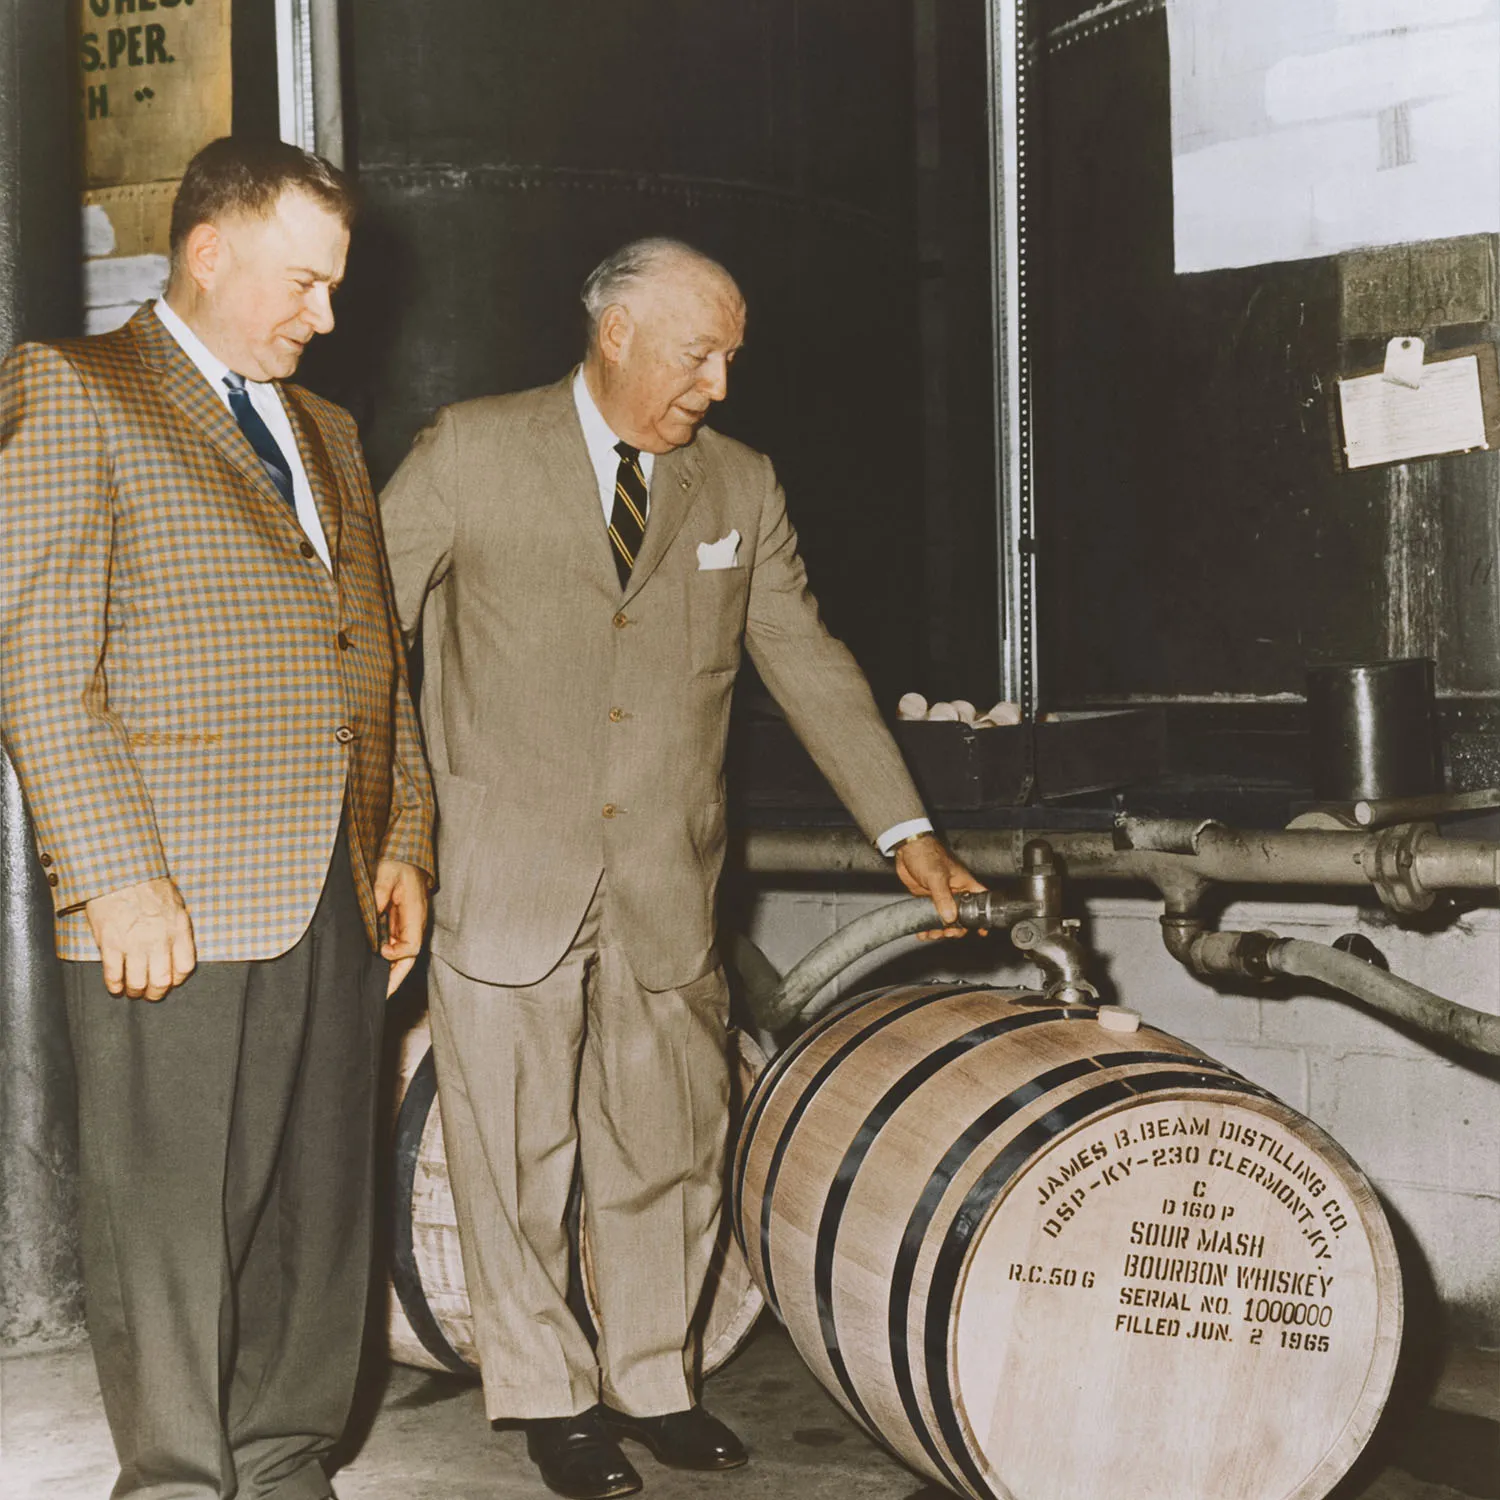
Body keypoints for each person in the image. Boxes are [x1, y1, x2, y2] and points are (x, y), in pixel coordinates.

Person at [379, 237, 980, 1500]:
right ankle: (550, 1400)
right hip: (503, 872)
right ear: (617, 336)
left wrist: (905, 830)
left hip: (665, 876)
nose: (719, 385)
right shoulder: (471, 449)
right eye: (699, 356)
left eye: (730, 359)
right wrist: (394, 827)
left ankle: (653, 1380)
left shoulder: (739, 485)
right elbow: (361, 633)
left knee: (668, 1143)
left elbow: (806, 659)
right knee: (515, 1158)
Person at [0, 138, 434, 1500]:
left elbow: (374, 659)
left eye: (334, 285)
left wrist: (403, 838)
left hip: (333, 887)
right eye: (304, 282)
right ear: (207, 251)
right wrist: (114, 877)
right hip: (171, 896)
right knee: (173, 1224)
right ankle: (181, 1482)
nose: (328, 314)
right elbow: (38, 665)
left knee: (318, 1209)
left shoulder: (330, 432)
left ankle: (288, 1460)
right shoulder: (78, 389)